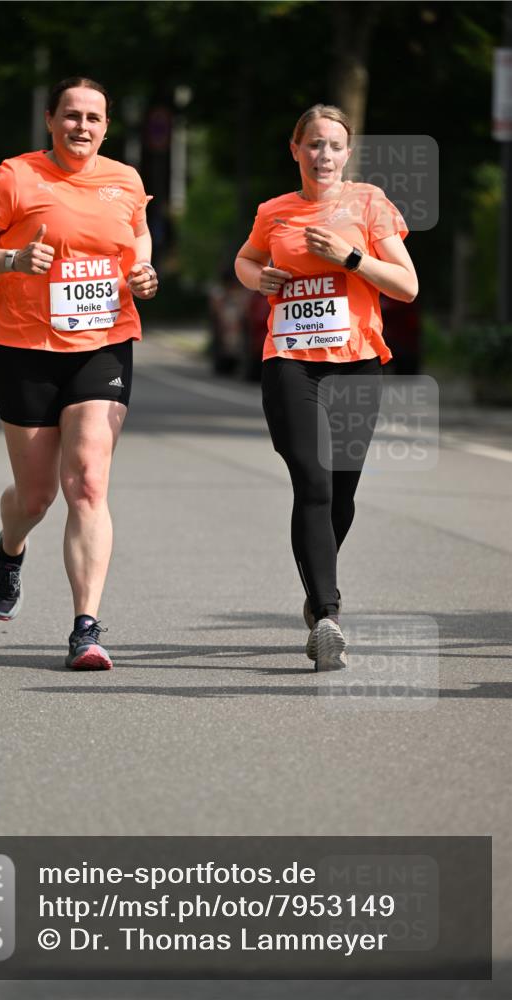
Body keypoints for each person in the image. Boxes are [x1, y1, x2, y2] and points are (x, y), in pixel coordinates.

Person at [0, 76, 158, 671]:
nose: (82, 127)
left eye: (94, 117)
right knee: (37, 494)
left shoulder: (126, 180)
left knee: (88, 480)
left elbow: (138, 236)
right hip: (24, 346)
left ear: (106, 127)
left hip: (105, 342)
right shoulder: (16, 177)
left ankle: (85, 628)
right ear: (50, 119)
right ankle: (10, 547)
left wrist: (142, 272)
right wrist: (12, 259)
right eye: (71, 115)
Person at [235, 104, 418, 671]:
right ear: (296, 150)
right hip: (290, 359)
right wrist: (256, 276)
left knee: (342, 493)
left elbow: (407, 286)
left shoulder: (369, 203)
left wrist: (352, 257)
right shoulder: (275, 212)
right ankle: (328, 615)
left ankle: (317, 590)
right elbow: (245, 259)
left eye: (335, 146)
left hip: (357, 362)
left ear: (347, 153)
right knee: (312, 481)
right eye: (314, 145)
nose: (324, 156)